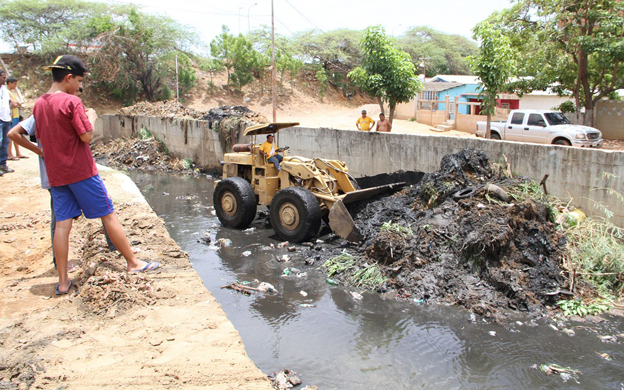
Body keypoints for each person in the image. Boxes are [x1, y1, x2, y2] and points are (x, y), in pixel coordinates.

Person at [30, 55, 158, 295]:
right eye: (78, 81)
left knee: (62, 225)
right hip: (80, 171)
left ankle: (63, 281)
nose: (80, 87)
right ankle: (133, 263)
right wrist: (92, 116)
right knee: (108, 214)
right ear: (68, 78)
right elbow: (86, 136)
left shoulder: (39, 104)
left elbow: (41, 136)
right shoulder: (71, 102)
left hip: (56, 174)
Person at [8, 86, 119, 270]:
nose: (76, 96)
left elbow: (14, 133)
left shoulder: (48, 111)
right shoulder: (55, 111)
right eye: (76, 90)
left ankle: (62, 268)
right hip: (73, 173)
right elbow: (86, 136)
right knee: (102, 210)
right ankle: (115, 251)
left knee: (62, 220)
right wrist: (40, 151)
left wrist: (42, 152)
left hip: (56, 175)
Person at [7, 76, 26, 159]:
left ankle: (18, 152)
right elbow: (14, 104)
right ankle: (9, 154)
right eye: (14, 84)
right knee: (11, 135)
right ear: (9, 83)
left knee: (16, 134)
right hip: (12, 116)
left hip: (16, 115)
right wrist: (17, 103)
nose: (15, 86)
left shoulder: (11, 92)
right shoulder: (7, 92)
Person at [0, 70, 14, 176]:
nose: (5, 79)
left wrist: (11, 115)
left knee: (5, 143)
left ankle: (3, 164)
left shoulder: (4, 90)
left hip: (6, 119)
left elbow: (9, 103)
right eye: (3, 77)